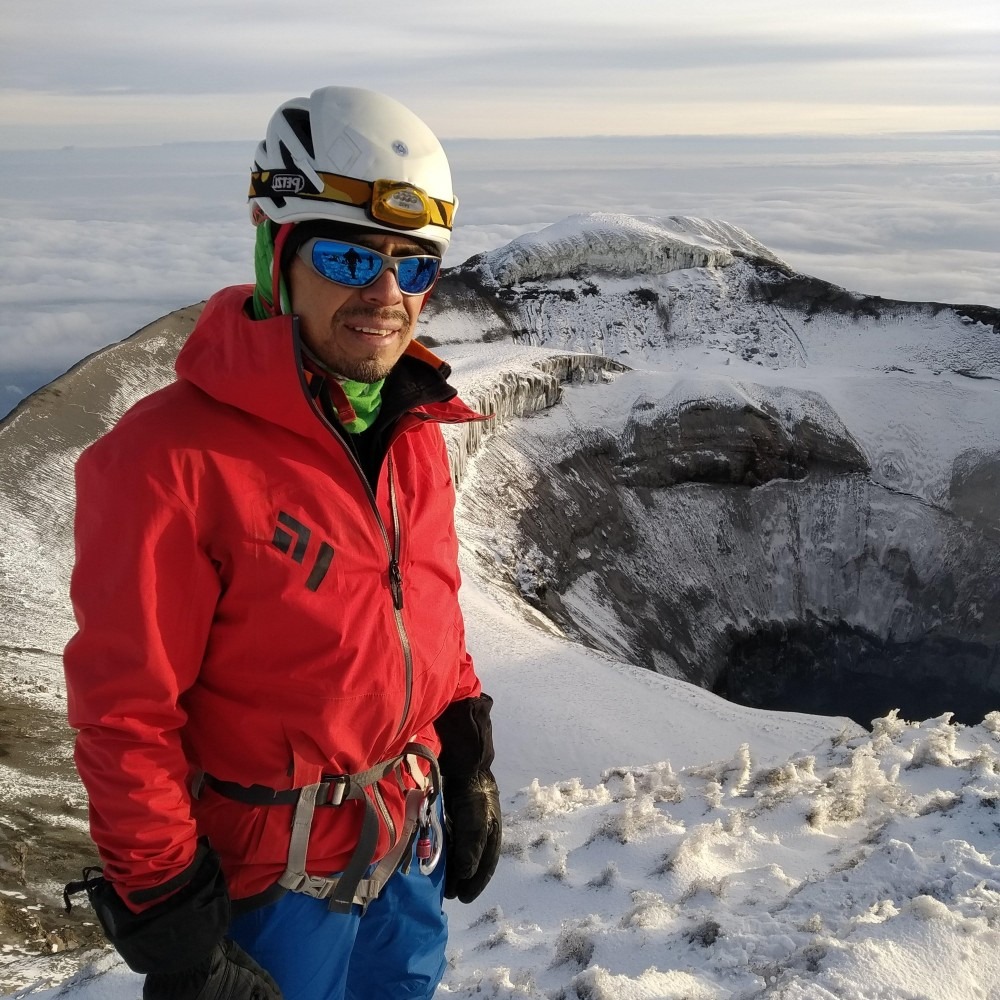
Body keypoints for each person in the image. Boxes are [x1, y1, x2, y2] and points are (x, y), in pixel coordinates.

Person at [62, 86, 501, 1000]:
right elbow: (125, 713)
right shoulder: (167, 459)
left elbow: (427, 607)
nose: (385, 295)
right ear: (277, 253)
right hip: (268, 889)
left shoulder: (412, 429)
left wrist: (464, 750)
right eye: (349, 256)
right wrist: (172, 921)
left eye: (414, 266)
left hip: (402, 849)